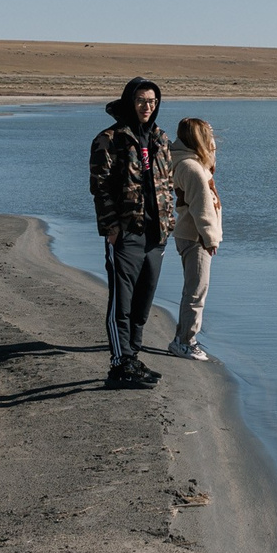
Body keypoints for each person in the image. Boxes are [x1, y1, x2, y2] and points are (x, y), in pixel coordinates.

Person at [87, 76, 176, 389]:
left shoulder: (161, 138)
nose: (147, 107)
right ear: (129, 102)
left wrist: (170, 223)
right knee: (121, 304)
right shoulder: (108, 139)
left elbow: (168, 184)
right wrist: (110, 227)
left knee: (143, 302)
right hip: (125, 233)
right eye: (141, 101)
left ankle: (133, 357)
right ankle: (119, 364)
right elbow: (99, 187)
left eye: (152, 101)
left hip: (156, 233)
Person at [160, 116, 222, 360]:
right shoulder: (192, 168)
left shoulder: (188, 162)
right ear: (199, 138)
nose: (213, 139)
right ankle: (185, 341)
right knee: (196, 292)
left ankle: (184, 337)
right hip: (195, 236)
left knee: (194, 289)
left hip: (191, 234)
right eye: (209, 135)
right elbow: (201, 206)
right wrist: (210, 238)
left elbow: (210, 163)